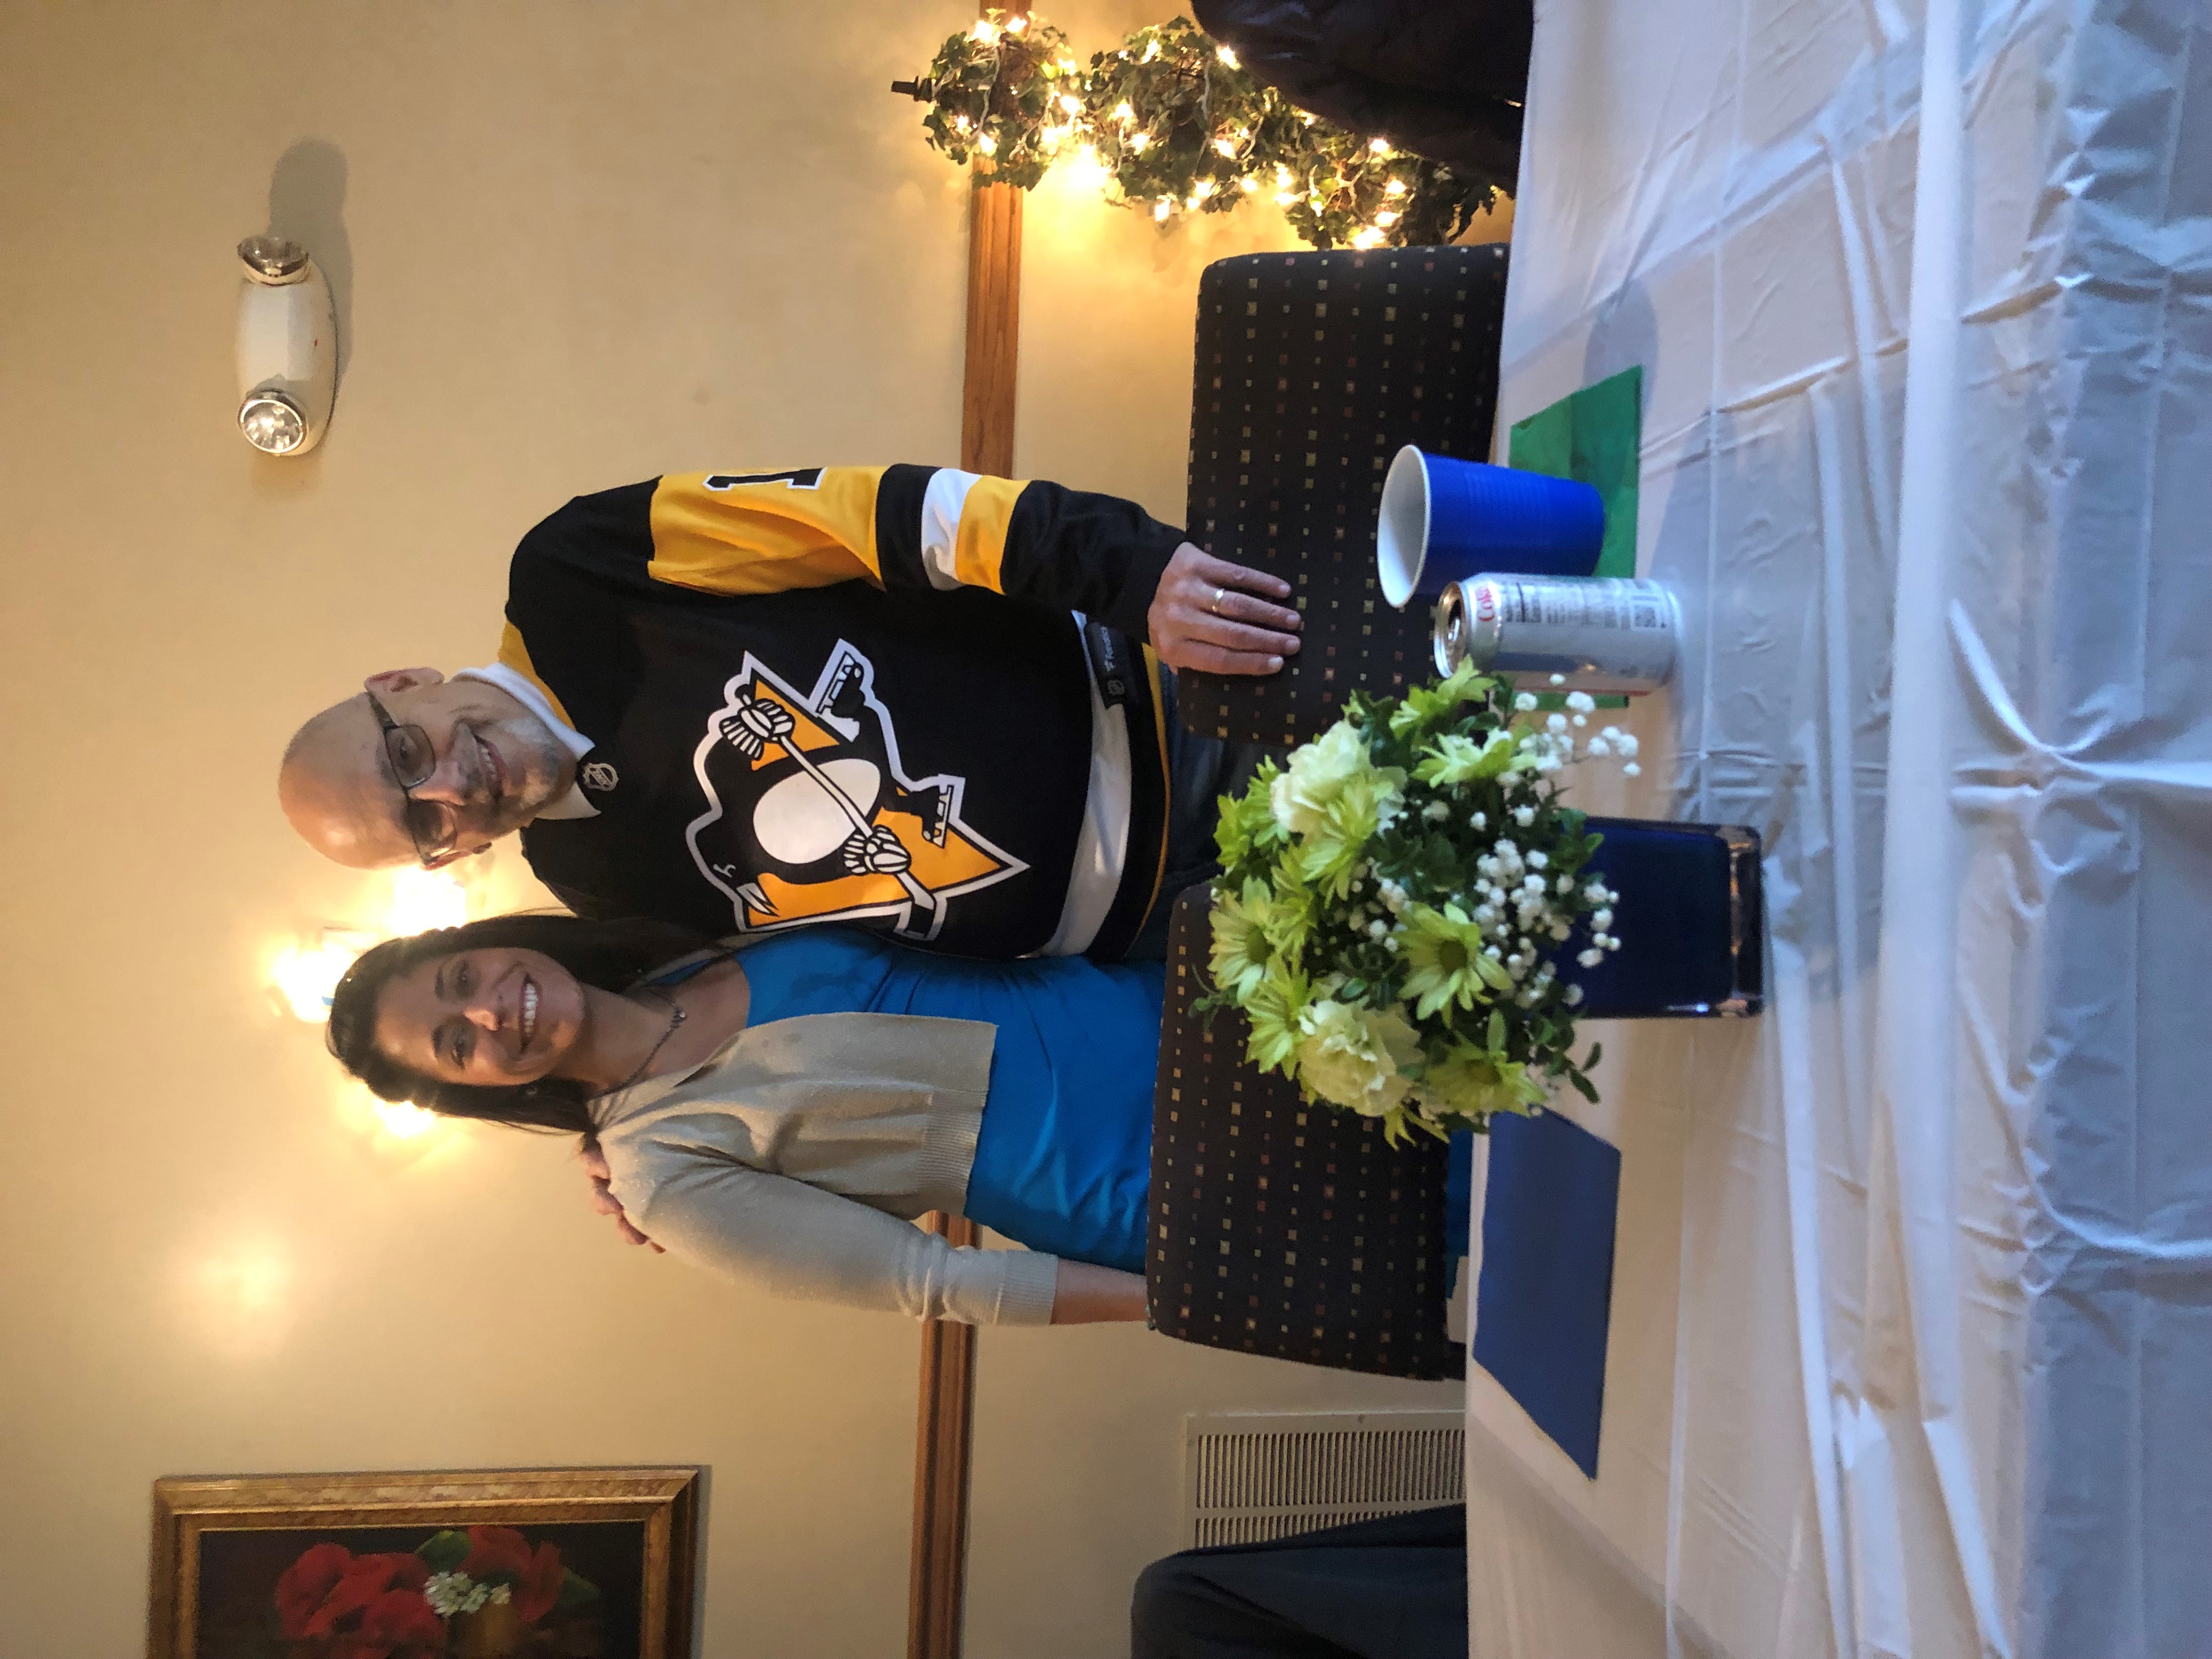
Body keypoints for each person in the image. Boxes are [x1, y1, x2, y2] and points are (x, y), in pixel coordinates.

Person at [280, 464, 1295, 962]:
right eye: (423, 823)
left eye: (404, 753)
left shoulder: (573, 577)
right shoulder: (586, 884)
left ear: (400, 681)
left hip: (1182, 709)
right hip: (1159, 937)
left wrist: (1131, 570)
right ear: (449, 856)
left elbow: (880, 517)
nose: (449, 787)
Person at [324, 910, 1164, 1325]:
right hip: (1133, 1180)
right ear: (480, 1089)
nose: (488, 1012)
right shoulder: (658, 1173)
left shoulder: (681, 931)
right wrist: (1185, 1297)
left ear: (483, 942)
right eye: (456, 1044)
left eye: (462, 980)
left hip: (1152, 995)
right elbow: (934, 1283)